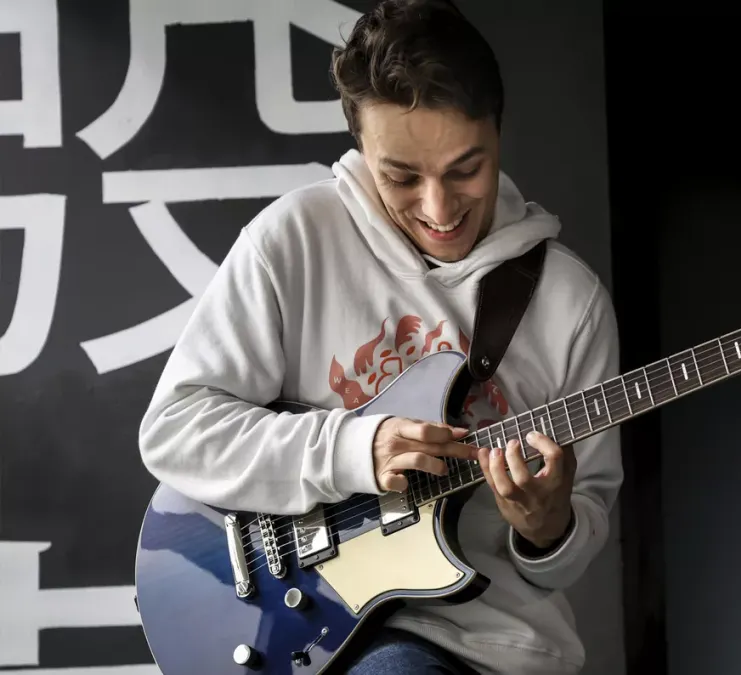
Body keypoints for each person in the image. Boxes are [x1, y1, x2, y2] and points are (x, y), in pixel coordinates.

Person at [136, 1, 623, 673]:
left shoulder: (570, 302)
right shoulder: (294, 241)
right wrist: (353, 448)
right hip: (295, 622)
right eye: (401, 177)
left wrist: (548, 527)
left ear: (498, 131)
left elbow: (570, 551)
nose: (439, 208)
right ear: (362, 149)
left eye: (466, 169)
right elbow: (175, 430)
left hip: (481, 645)